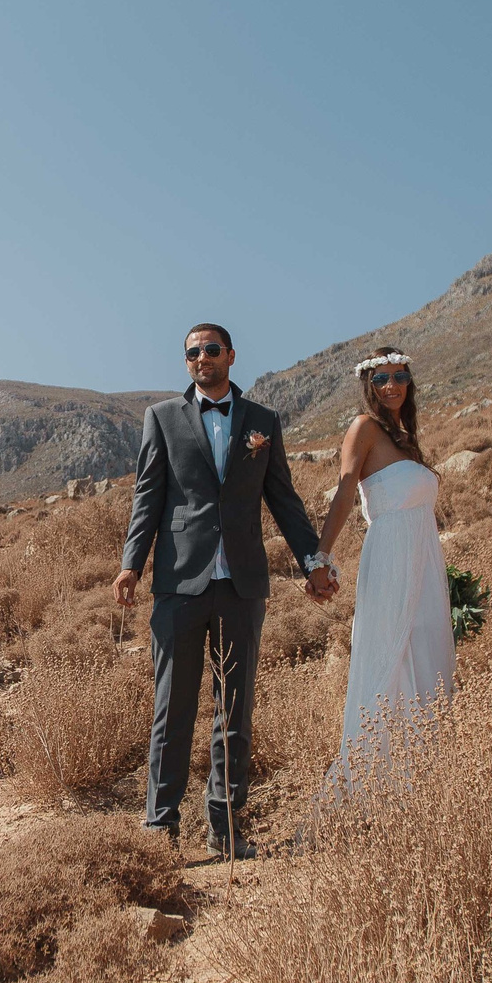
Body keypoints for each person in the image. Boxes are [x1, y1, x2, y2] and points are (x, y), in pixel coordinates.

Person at [115, 322, 336, 858]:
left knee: (234, 710)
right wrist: (131, 565)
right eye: (192, 352)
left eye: (211, 349)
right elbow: (148, 497)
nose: (202, 358)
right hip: (179, 583)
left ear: (231, 356)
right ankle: (160, 831)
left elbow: (284, 500)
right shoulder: (162, 418)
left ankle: (226, 829)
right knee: (172, 710)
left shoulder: (263, 421)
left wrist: (313, 563)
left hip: (242, 584)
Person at [310, 348, 457, 764]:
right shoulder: (365, 428)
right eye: (381, 378)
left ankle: (427, 762)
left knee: (426, 647)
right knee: (391, 654)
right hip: (391, 557)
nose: (391, 385)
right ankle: (377, 770)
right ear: (368, 385)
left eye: (399, 376)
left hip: (425, 561)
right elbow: (344, 491)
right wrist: (320, 558)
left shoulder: (405, 437)